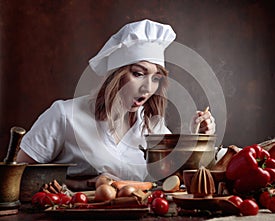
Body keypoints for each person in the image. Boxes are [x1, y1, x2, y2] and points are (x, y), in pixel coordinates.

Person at [16, 19, 216, 190]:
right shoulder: (64, 115)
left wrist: (198, 138)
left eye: (156, 78)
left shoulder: (153, 125)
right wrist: (86, 184)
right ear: (115, 75)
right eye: (138, 74)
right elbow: (18, 176)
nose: (147, 88)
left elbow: (175, 180)